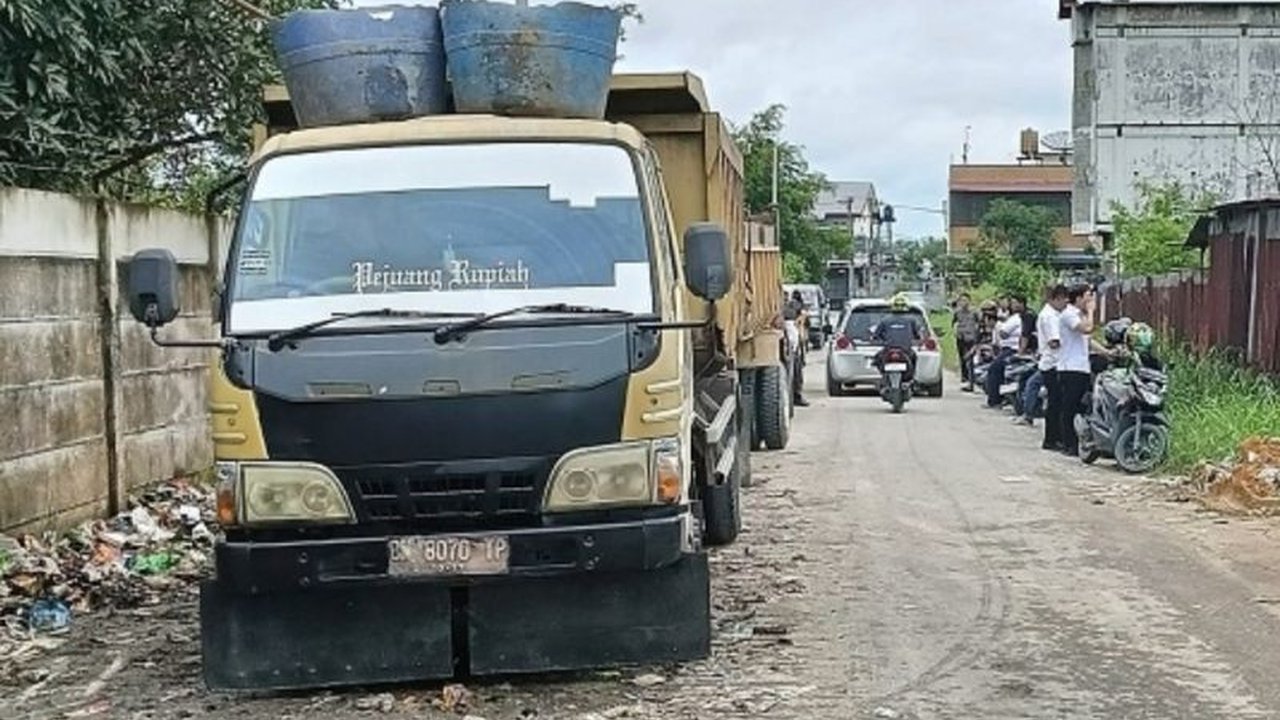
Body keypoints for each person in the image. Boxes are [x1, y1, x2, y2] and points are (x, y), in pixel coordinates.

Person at [1024, 285, 1069, 444]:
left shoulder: (1052, 314)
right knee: (1056, 403)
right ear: (1056, 298)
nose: (1066, 303)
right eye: (1064, 300)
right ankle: (1052, 438)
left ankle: (1053, 438)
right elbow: (1054, 342)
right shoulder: (1050, 316)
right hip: (1053, 363)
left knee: (1055, 402)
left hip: (1051, 362)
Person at [1058, 285, 1098, 457]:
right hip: (1070, 367)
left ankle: (1078, 442)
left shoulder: (1079, 315)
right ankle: (1069, 444)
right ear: (1079, 298)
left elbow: (1088, 340)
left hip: (1081, 367)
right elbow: (1087, 329)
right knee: (1070, 407)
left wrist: (1108, 353)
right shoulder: (1068, 314)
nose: (1090, 301)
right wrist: (1091, 311)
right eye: (1088, 297)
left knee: (1081, 406)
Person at [871, 293, 926, 380]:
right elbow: (918, 335)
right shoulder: (912, 320)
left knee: (876, 359)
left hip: (888, 349)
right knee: (914, 358)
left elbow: (876, 336)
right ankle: (911, 378)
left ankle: (884, 377)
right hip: (906, 350)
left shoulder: (885, 320)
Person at [984, 296, 1024, 408]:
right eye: (1012, 303)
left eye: (1015, 303)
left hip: (1012, 349)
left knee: (994, 369)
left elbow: (1003, 333)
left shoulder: (1017, 318)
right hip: (1007, 348)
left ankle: (994, 400)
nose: (1013, 305)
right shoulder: (1010, 318)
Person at [782, 290, 810, 407]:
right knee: (796, 370)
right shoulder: (791, 313)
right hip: (792, 344)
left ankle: (796, 395)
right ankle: (796, 395)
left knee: (796, 370)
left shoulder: (789, 311)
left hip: (793, 344)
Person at [952, 293, 980, 391]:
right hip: (961, 336)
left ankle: (971, 377)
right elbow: (954, 323)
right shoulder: (957, 312)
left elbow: (979, 323)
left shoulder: (974, 312)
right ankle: (964, 376)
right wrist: (956, 331)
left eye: (965, 300)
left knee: (970, 357)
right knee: (962, 357)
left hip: (971, 337)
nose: (964, 303)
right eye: (961, 301)